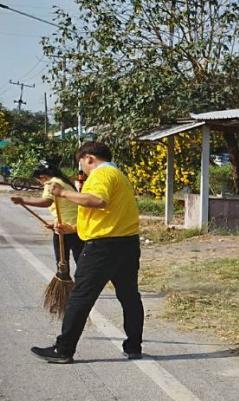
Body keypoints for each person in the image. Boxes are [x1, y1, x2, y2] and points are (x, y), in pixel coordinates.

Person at [31, 142, 143, 363]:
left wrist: (62, 192)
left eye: (81, 163)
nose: (82, 169)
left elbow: (98, 201)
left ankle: (63, 350)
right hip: (127, 244)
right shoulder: (118, 175)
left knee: (80, 296)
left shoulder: (101, 175)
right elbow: (109, 215)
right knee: (129, 296)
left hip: (103, 248)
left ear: (89, 158)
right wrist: (74, 229)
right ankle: (133, 346)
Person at [9, 160, 84, 268]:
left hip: (64, 227)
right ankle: (81, 282)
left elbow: (46, 202)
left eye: (38, 181)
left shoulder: (51, 184)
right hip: (76, 225)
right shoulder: (64, 181)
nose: (40, 183)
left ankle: (64, 280)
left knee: (62, 262)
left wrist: (23, 200)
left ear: (43, 177)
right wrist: (53, 223)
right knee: (80, 260)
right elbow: (65, 206)